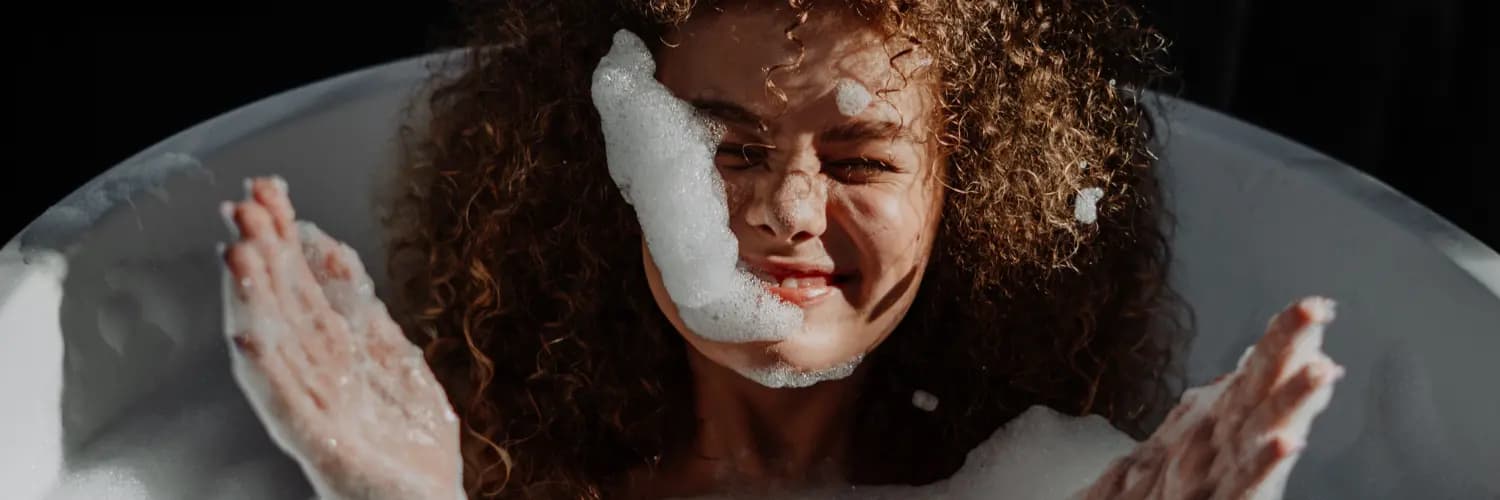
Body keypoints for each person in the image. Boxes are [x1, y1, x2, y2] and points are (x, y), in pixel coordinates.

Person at [219, 0, 1343, 498]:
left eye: (860, 161)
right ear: (609, 166)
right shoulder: (515, 482)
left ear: (975, 192)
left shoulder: (1051, 484)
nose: (787, 210)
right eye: (722, 149)